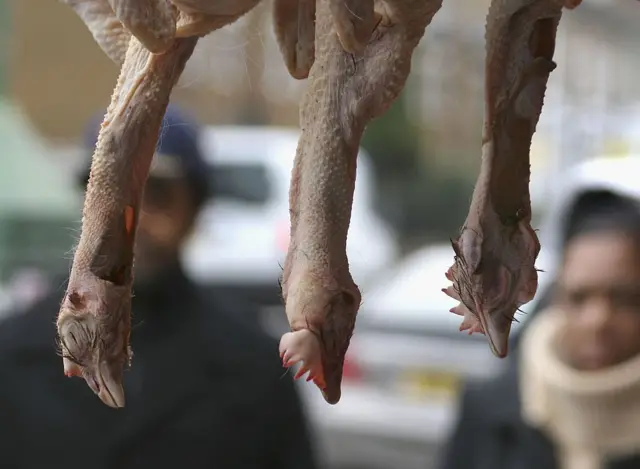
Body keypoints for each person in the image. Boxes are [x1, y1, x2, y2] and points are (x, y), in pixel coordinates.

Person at [0, 104, 319, 469]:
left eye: (158, 195)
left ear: (195, 209)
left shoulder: (253, 368)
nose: (130, 220)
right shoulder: (13, 355)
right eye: (109, 193)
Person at [440, 190, 640, 469]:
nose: (597, 320)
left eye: (624, 299)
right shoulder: (489, 409)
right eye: (579, 298)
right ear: (557, 298)